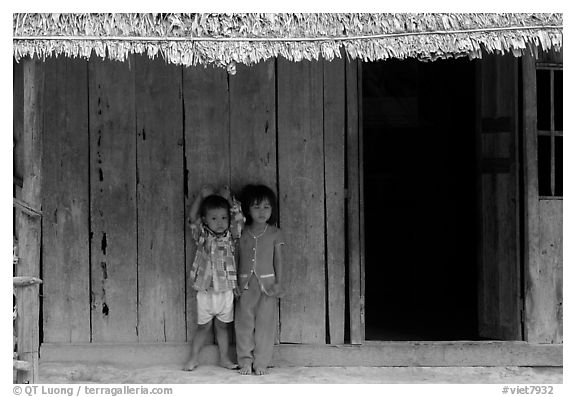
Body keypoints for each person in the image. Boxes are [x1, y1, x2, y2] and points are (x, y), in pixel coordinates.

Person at [184, 185, 244, 371]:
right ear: (206, 220)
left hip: (225, 289)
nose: (220, 222)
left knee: (223, 327)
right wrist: (202, 195)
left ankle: (224, 358)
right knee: (204, 327)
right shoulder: (202, 235)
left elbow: (239, 218)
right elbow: (192, 219)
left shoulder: (231, 236)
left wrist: (231, 199)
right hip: (206, 290)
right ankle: (193, 358)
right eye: (214, 218)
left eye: (224, 218)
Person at [235, 184, 285, 375]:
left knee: (266, 324)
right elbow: (235, 257)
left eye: (266, 207)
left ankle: (261, 362)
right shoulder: (240, 232)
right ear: (247, 208)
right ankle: (245, 361)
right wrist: (234, 283)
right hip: (245, 284)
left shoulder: (275, 232)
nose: (262, 211)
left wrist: (279, 282)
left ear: (272, 209)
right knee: (243, 324)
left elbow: (278, 259)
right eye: (256, 207)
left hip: (268, 286)